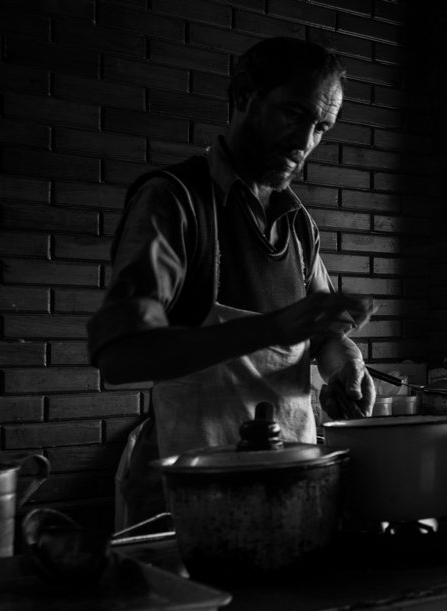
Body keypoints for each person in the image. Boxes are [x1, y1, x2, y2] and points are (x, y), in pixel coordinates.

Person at [88, 37, 376, 526]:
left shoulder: (298, 224)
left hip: (289, 494)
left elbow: (326, 332)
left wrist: (344, 366)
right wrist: (270, 329)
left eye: (321, 128)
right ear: (245, 95)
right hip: (189, 499)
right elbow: (120, 353)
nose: (305, 143)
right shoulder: (176, 202)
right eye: (294, 114)